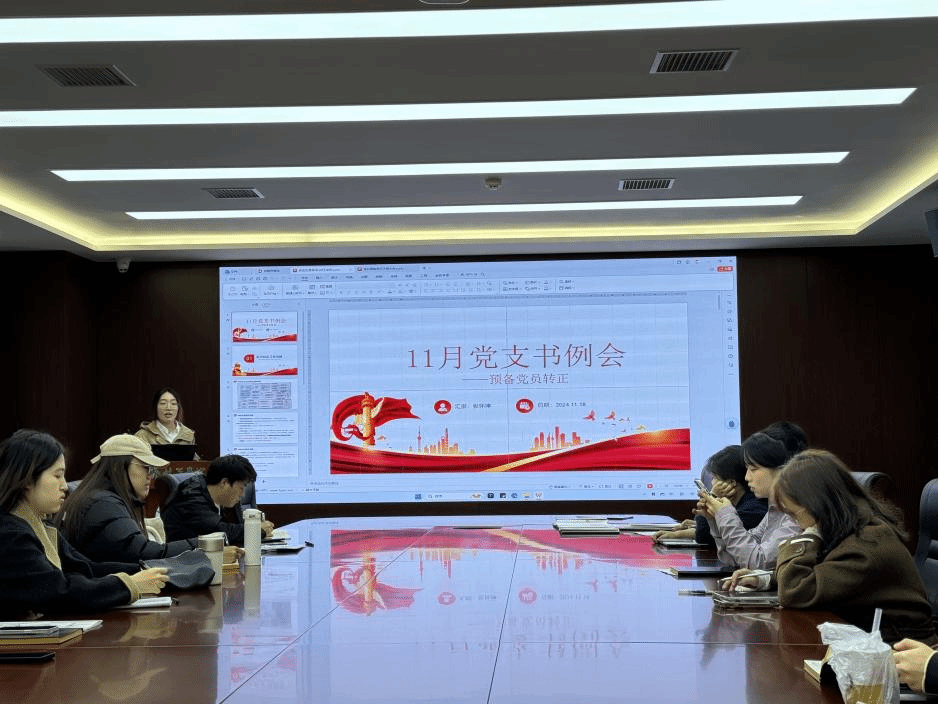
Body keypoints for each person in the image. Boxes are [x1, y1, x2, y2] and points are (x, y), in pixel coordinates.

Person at [728, 450, 937, 645]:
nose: (797, 525)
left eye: (794, 515)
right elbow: (825, 570)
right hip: (871, 641)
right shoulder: (849, 529)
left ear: (816, 506)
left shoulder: (865, 545)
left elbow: (795, 591)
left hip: (899, 651)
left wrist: (810, 533)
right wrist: (765, 579)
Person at [0, 429, 168, 619]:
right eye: (57, 476)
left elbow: (85, 568)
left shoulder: (41, 525)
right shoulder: (10, 535)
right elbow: (58, 592)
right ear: (27, 479)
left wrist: (145, 571)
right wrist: (129, 585)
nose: (65, 486)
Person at [56, 434, 200, 562]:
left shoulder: (97, 496)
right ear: (117, 467)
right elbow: (144, 554)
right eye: (146, 467)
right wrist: (201, 543)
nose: (151, 476)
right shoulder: (103, 504)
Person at [696, 429, 803, 568]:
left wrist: (725, 513)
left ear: (781, 470)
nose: (747, 477)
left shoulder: (796, 514)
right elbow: (735, 558)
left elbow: (758, 562)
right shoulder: (775, 509)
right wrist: (714, 519)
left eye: (753, 469)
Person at [653, 445, 767, 547]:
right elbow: (713, 531)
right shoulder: (744, 504)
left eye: (715, 478)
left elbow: (704, 535)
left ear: (731, 483)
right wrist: (676, 535)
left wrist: (711, 498)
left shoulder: (754, 509)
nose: (712, 483)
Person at [162, 454, 273, 545]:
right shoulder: (192, 498)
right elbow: (220, 532)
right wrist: (257, 530)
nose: (242, 494)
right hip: (184, 561)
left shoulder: (210, 494)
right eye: (241, 488)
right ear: (225, 483)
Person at [135, 386, 198, 453]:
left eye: (173, 403)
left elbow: (194, 459)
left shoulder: (188, 434)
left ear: (178, 407)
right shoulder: (143, 435)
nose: (168, 408)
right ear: (155, 407)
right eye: (163, 403)